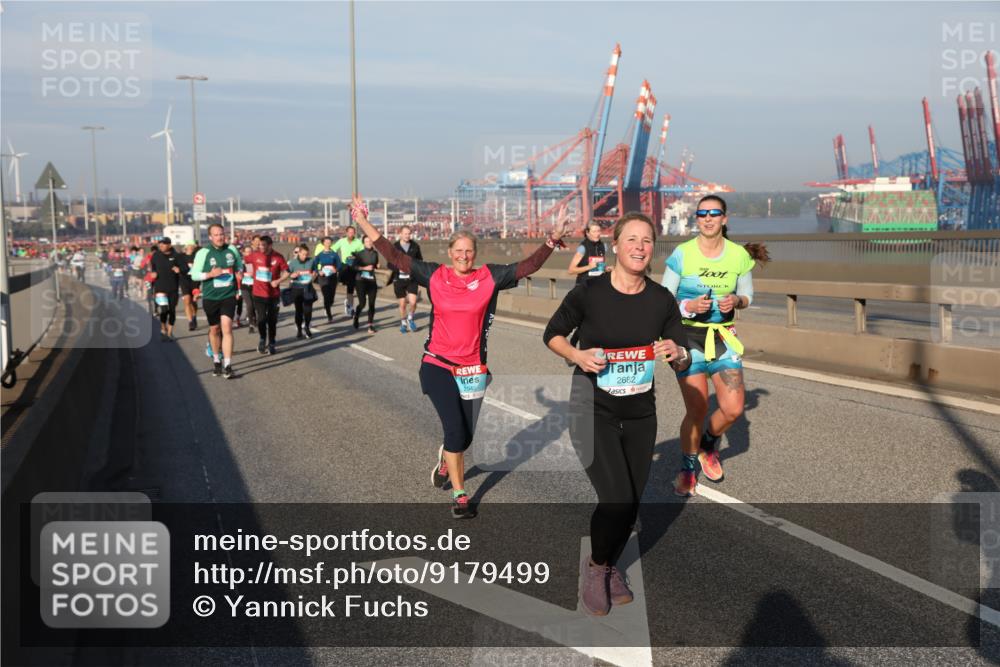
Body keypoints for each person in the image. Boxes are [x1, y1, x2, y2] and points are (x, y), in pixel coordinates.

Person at [351, 195, 568, 519]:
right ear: (450, 254)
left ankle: (445, 460)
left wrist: (551, 239)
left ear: (475, 254)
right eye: (458, 251)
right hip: (437, 365)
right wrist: (363, 222)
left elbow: (528, 267)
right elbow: (394, 255)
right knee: (454, 431)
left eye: (469, 251)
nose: (464, 256)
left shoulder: (489, 278)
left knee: (464, 436)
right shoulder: (435, 275)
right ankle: (460, 494)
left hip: (473, 370)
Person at [544, 211, 691, 616]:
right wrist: (576, 354)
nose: (640, 247)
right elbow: (551, 334)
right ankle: (596, 568)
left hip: (641, 414)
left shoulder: (661, 299)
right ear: (616, 245)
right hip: (591, 408)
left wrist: (677, 353)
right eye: (632, 239)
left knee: (632, 503)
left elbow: (681, 354)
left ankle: (610, 567)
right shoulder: (589, 293)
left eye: (647, 241)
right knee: (616, 498)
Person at [660, 195, 768, 496]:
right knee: (697, 408)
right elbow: (663, 299)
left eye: (714, 213)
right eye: (702, 214)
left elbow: (748, 296)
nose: (707, 218)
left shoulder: (738, 256)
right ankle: (687, 465)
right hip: (687, 339)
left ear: (724, 218)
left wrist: (736, 300)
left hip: (723, 338)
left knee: (733, 409)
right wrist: (688, 305)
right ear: (697, 219)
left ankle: (709, 444)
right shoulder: (682, 254)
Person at [188, 224, 243, 379]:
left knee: (227, 328)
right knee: (215, 330)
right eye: (216, 235)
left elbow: (239, 266)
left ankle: (227, 365)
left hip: (228, 296)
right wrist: (210, 275)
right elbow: (194, 275)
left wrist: (239, 274)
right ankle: (217, 360)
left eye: (221, 234)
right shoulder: (203, 253)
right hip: (211, 297)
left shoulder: (232, 250)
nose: (220, 237)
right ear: (210, 237)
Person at [246, 235, 289, 355]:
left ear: (270, 245)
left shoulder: (278, 257)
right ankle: (262, 339)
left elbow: (287, 272)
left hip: (273, 295)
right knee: (261, 319)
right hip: (258, 293)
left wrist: (278, 281)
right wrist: (240, 273)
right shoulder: (255, 255)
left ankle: (272, 342)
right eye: (259, 245)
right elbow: (241, 260)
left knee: (272, 320)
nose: (261, 247)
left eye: (263, 245)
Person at [148, 237, 185, 341]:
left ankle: (169, 332)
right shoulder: (156, 255)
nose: (161, 245)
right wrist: (153, 272)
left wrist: (179, 269)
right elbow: (153, 266)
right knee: (164, 309)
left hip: (173, 287)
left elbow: (185, 268)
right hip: (160, 287)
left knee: (172, 310)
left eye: (163, 244)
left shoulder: (177, 256)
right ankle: (163, 327)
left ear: (169, 245)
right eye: (160, 244)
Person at [387, 225, 423, 333]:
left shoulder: (415, 246)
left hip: (412, 279)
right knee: (402, 304)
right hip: (399, 279)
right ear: (400, 234)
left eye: (409, 233)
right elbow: (389, 263)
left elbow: (420, 260)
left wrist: (416, 269)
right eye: (405, 233)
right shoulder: (395, 247)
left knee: (413, 302)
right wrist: (397, 268)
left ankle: (410, 318)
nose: (407, 236)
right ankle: (403, 322)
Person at [332, 225, 364, 318]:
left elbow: (362, 253)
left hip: (354, 266)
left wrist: (356, 257)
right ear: (346, 233)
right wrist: (337, 261)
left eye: (353, 232)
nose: (351, 234)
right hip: (344, 266)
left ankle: (350, 306)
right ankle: (349, 305)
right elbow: (333, 250)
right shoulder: (341, 241)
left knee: (353, 287)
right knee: (346, 286)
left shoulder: (358, 242)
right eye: (349, 232)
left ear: (355, 233)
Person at [288, 243, 318, 339]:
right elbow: (288, 274)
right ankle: (299, 329)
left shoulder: (311, 261)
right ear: (299, 253)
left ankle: (307, 327)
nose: (305, 256)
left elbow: (315, 271)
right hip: (297, 288)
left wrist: (314, 274)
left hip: (308, 288)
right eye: (303, 254)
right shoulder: (292, 263)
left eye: (307, 254)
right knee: (299, 311)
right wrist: (292, 275)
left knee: (308, 310)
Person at [351, 235, 380, 334]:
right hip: (361, 281)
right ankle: (356, 316)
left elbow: (374, 265)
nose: (369, 243)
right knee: (362, 304)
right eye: (367, 241)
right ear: (363, 243)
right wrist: (364, 268)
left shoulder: (375, 253)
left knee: (372, 304)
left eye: (370, 241)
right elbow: (354, 267)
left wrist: (377, 266)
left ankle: (370, 326)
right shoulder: (359, 254)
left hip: (372, 281)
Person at [313, 237, 342, 323]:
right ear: (323, 243)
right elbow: (314, 264)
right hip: (323, 277)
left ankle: (328, 306)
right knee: (326, 295)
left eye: (330, 241)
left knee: (331, 297)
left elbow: (339, 265)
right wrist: (318, 271)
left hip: (332, 277)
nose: (328, 243)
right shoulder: (320, 255)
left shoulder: (334, 254)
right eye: (326, 242)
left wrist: (336, 270)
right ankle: (329, 315)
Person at [179, 242, 202, 331]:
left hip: (195, 280)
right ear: (186, 247)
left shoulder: (197, 256)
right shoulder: (181, 256)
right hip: (184, 280)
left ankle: (194, 316)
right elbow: (175, 264)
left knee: (193, 301)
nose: (191, 248)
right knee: (187, 300)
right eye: (190, 246)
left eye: (193, 246)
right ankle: (190, 322)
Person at [238, 245, 257, 334]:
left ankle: (254, 318)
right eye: (247, 252)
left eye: (250, 251)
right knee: (249, 305)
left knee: (254, 305)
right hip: (244, 286)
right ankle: (251, 324)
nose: (249, 253)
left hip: (255, 286)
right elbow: (237, 275)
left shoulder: (256, 262)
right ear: (244, 253)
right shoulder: (240, 263)